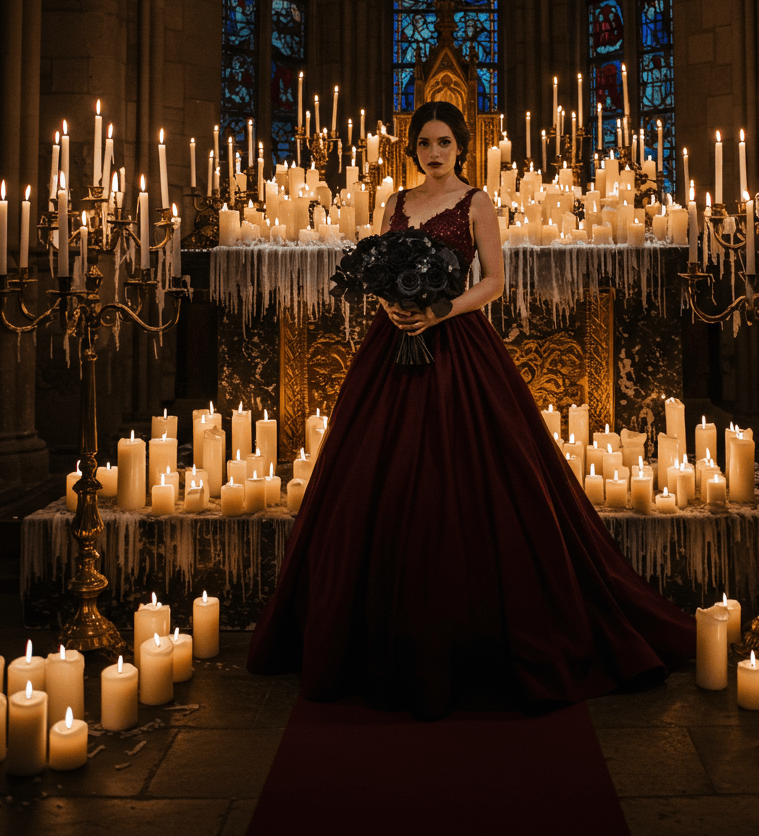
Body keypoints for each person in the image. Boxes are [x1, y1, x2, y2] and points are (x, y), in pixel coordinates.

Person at [247, 100, 695, 719]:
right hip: (391, 345)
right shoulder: (394, 203)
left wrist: (439, 311)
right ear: (413, 148)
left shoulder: (476, 202)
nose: (434, 153)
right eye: (425, 143)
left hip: (456, 342)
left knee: (475, 474)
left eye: (445, 143)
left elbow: (494, 281)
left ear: (462, 148)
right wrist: (393, 307)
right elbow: (376, 270)